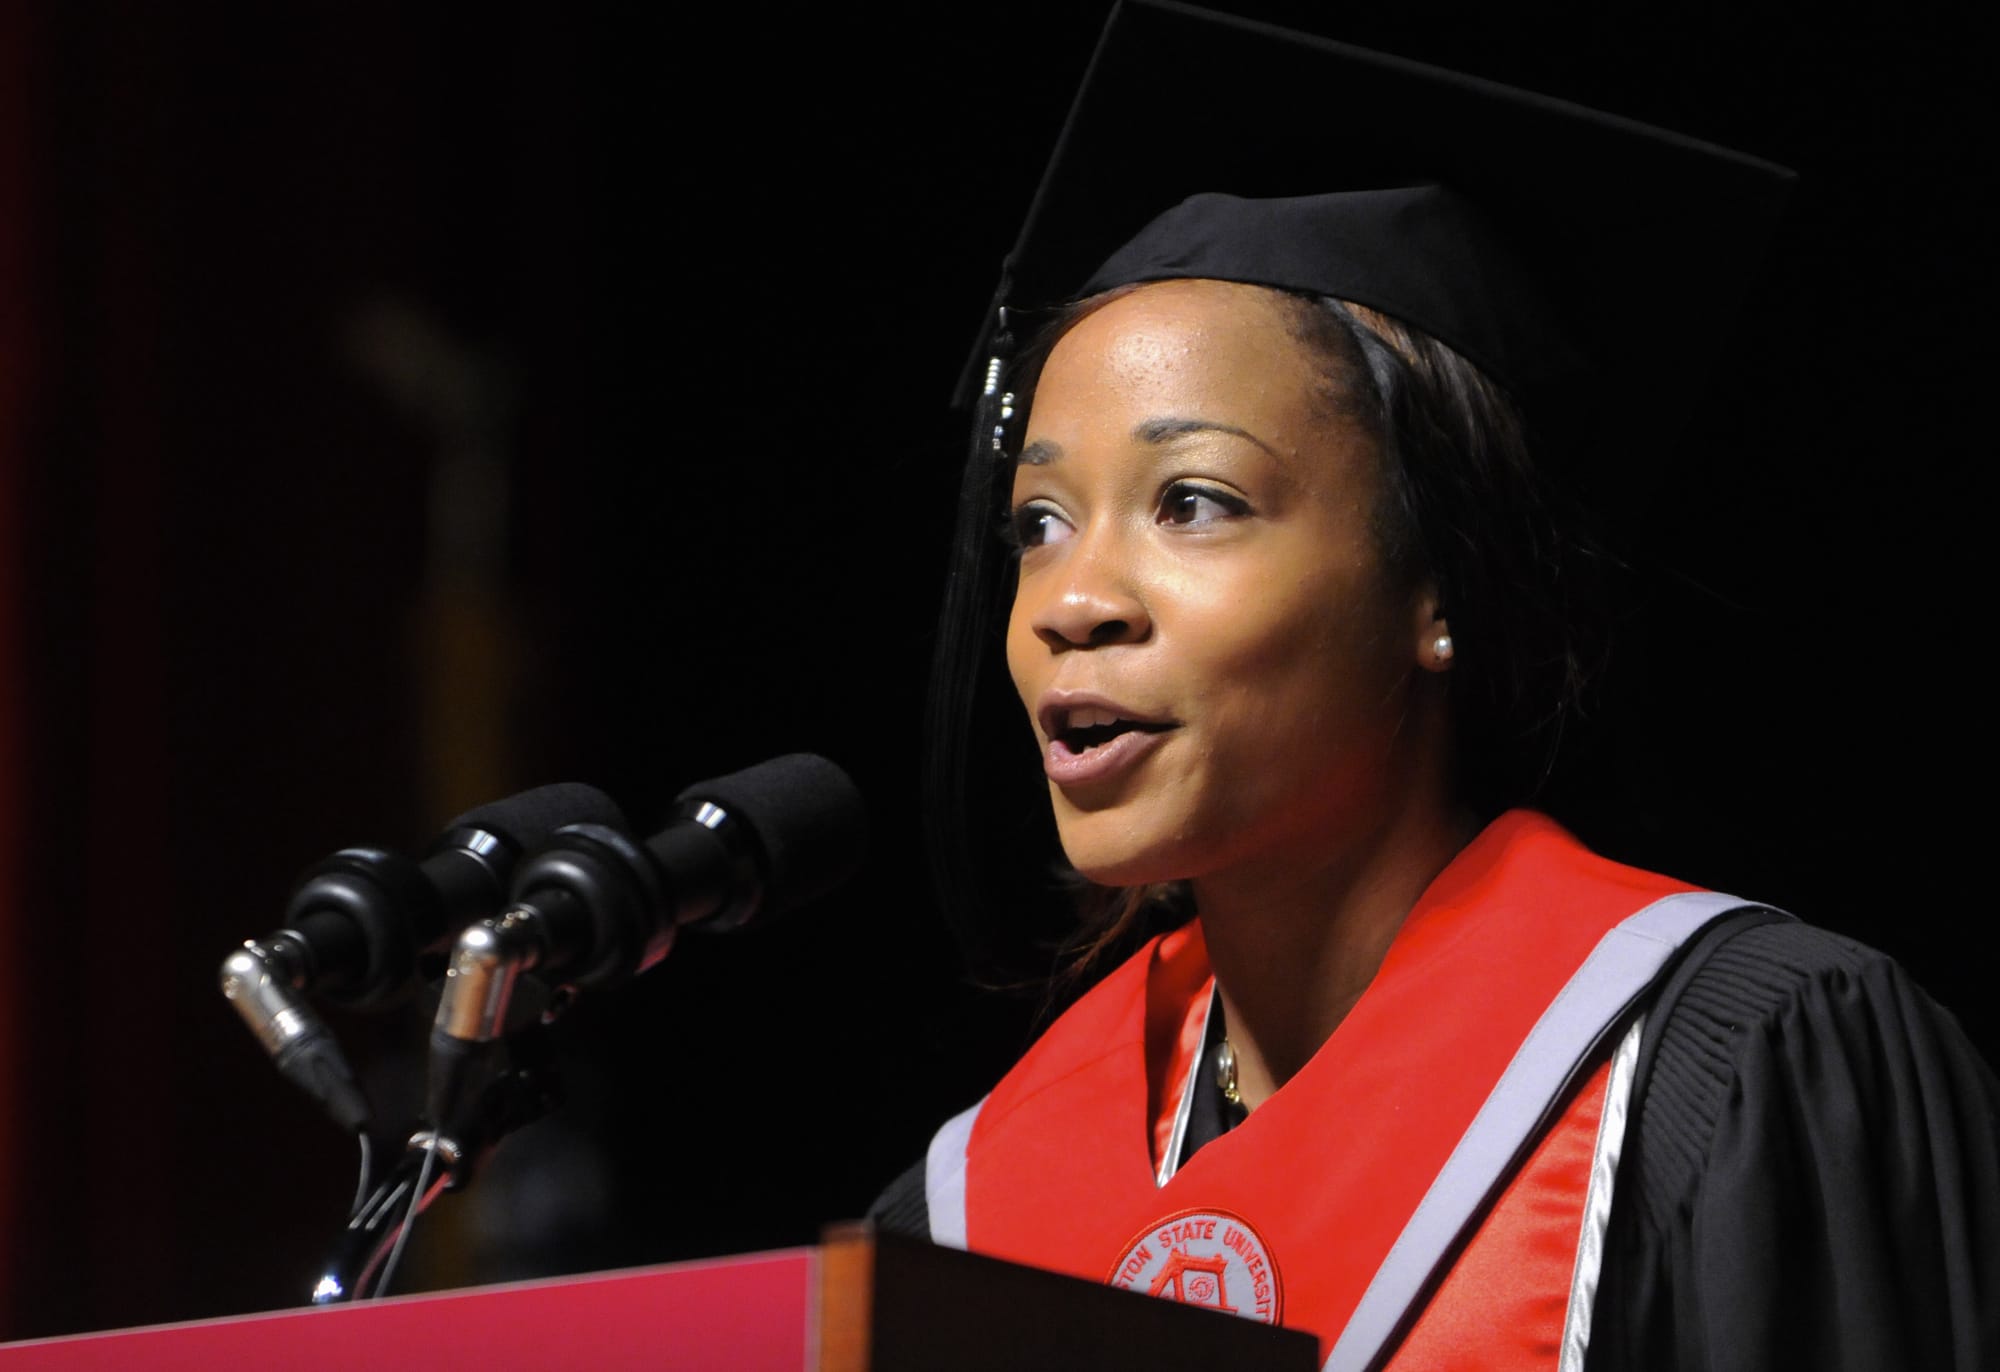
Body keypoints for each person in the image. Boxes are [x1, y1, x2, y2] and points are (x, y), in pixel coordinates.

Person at [872, 4, 2000, 1369]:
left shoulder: (1727, 1070)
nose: (1070, 602)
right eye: (1038, 523)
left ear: (1444, 589)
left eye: (1194, 501)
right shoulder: (974, 1205)